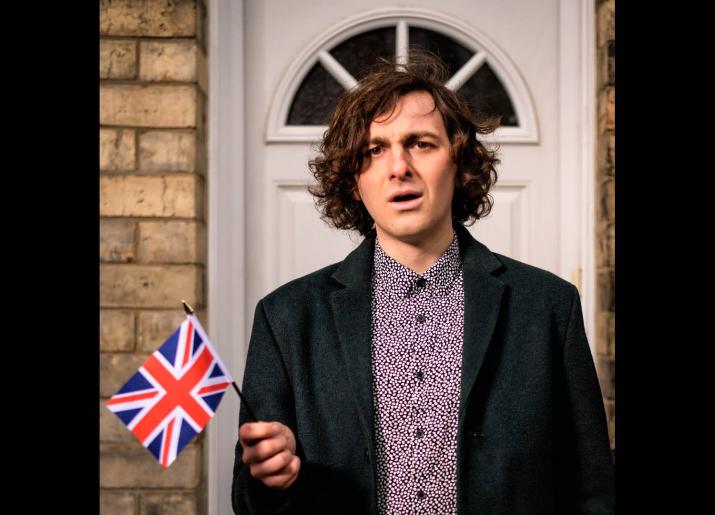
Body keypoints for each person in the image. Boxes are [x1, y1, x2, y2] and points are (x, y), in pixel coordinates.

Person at [232, 52, 615, 514]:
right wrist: (275, 480)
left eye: (421, 144)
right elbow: (248, 501)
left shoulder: (550, 307)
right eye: (374, 151)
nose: (398, 167)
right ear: (355, 181)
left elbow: (593, 490)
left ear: (460, 164)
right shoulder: (286, 318)